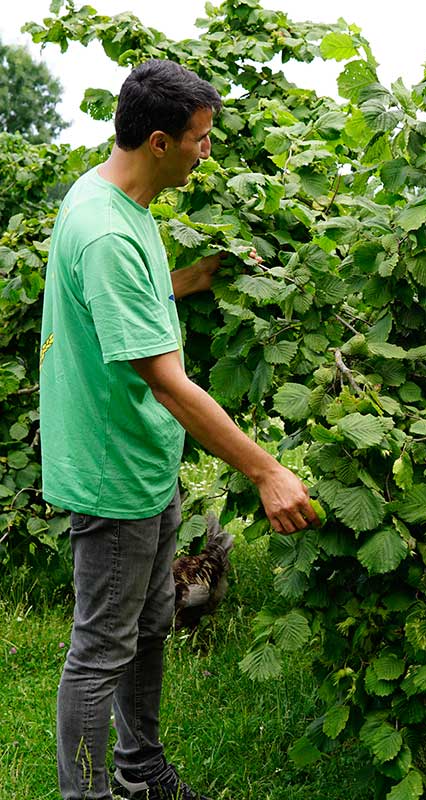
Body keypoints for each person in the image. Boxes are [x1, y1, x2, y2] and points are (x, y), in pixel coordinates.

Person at [39, 59, 319, 800]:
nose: (207, 152)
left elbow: (125, 300)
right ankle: (90, 794)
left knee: (151, 623)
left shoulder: (115, 202)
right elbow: (164, 380)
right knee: (99, 651)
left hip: (142, 458)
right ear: (159, 141)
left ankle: (142, 771)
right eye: (199, 139)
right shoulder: (104, 232)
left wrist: (194, 279)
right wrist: (266, 470)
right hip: (113, 470)